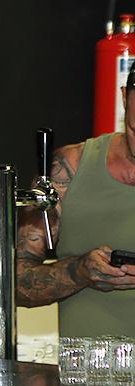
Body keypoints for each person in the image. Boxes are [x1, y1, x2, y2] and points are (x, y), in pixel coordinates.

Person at [16, 65, 135, 336]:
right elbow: (15, 282)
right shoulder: (68, 168)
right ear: (124, 98)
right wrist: (78, 271)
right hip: (84, 362)